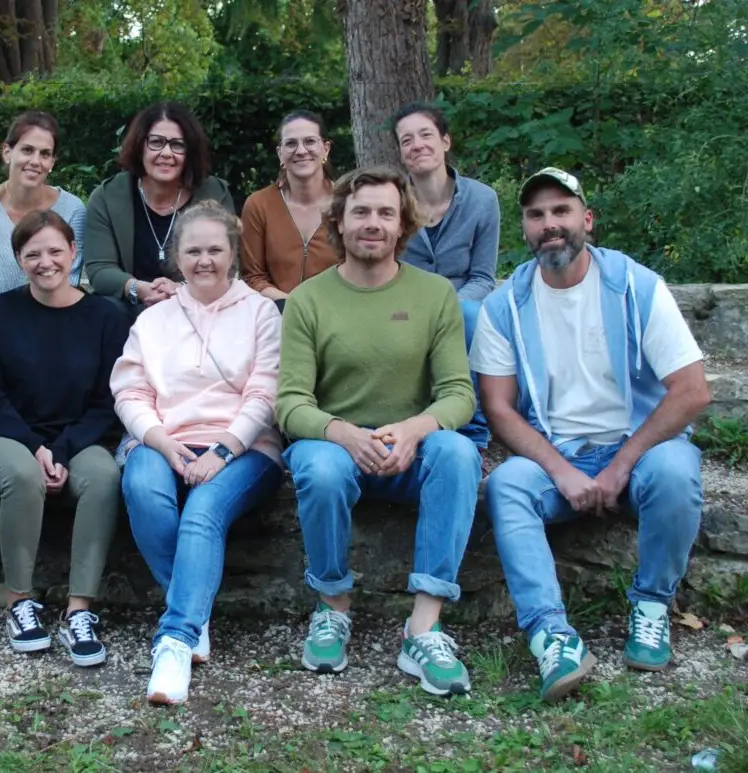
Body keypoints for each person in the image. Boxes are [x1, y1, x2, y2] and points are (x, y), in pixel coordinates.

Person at [470, 167, 711, 703]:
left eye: (561, 210)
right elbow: (499, 409)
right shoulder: (503, 306)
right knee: (508, 485)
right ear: (525, 229)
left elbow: (691, 391)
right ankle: (551, 635)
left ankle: (650, 607)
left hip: (640, 449)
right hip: (557, 455)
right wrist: (562, 471)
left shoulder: (636, 286)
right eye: (536, 215)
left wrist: (621, 464)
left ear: (587, 219)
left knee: (676, 471)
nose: (549, 224)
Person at [277, 166, 481, 696]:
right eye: (361, 211)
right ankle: (332, 607)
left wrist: (414, 430)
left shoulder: (436, 296)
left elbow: (459, 393)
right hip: (337, 448)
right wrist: (342, 433)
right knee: (318, 468)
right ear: (339, 222)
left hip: (407, 451)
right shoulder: (307, 300)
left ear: (402, 225)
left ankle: (424, 626)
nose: (373, 223)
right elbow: (291, 404)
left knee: (458, 455)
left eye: (385, 213)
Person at [111, 201, 284, 705]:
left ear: (233, 252)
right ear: (176, 257)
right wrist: (160, 441)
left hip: (244, 446)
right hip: (162, 438)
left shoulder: (261, 313)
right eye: (193, 250)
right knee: (142, 486)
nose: (204, 260)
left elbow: (265, 392)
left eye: (215, 249)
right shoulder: (154, 319)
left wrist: (225, 450)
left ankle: (176, 640)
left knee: (204, 509)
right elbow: (130, 390)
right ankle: (194, 607)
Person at [0, 210, 127, 664]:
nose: (45, 262)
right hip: (1, 434)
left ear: (73, 254)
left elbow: (106, 401)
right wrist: (36, 449)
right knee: (23, 475)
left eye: (56, 250)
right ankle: (20, 601)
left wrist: (60, 450)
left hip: (75, 437)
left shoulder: (105, 317)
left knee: (104, 476)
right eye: (32, 253)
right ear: (19, 259)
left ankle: (80, 610)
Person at [393, 102, 501, 451]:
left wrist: (448, 307)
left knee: (469, 315)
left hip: (462, 304)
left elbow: (483, 276)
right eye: (406, 140)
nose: (417, 145)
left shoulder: (483, 200)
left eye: (426, 135)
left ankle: (472, 430)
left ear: (445, 142)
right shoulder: (392, 202)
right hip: (404, 303)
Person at [84, 101, 235, 323]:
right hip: (128, 309)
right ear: (140, 146)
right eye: (156, 142)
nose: (166, 153)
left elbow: (229, 261)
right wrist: (139, 288)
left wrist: (181, 289)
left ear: (189, 151)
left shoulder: (214, 193)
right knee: (105, 309)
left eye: (177, 145)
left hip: (198, 305)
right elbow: (100, 268)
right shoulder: (107, 197)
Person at [0, 111, 87, 308]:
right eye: (27, 150)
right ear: (7, 152)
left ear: (52, 163)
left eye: (45, 154)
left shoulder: (73, 210)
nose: (35, 161)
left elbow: (68, 279)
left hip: (55, 318)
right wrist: (6, 321)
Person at [240, 110, 340, 311]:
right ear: (280, 153)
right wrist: (294, 306)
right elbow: (252, 276)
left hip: (338, 314)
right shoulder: (259, 205)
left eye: (310, 141)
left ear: (325, 148)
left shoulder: (348, 202)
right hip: (276, 315)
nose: (301, 150)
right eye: (291, 143)